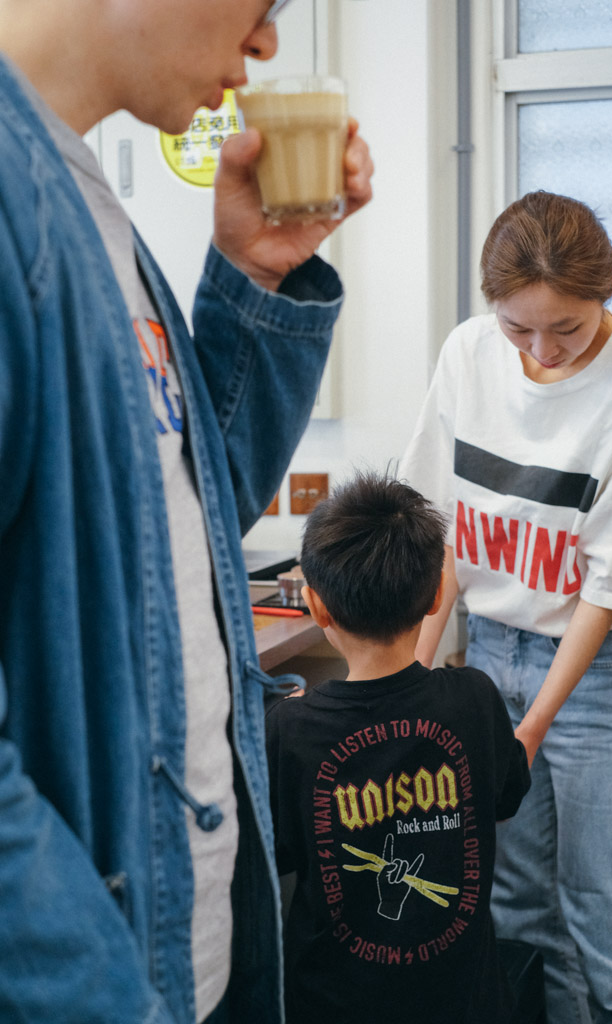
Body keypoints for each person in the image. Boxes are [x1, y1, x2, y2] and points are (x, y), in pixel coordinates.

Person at [0, 1, 373, 1022]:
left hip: (184, 947)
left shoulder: (83, 198)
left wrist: (257, 273)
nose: (266, 42)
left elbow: (184, 521)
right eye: (265, 4)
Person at [400, 190, 612, 1024]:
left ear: (610, 285)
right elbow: (442, 533)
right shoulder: (467, 354)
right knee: (516, 913)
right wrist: (412, 677)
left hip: (598, 674)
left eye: (566, 327)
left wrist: (530, 729)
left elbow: (606, 590)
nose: (542, 350)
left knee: (608, 923)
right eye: (517, 328)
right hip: (489, 655)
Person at [265, 472, 530, 1024]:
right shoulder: (475, 699)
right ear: (435, 596)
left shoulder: (291, 729)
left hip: (332, 1007)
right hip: (467, 1006)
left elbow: (278, 855)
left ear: (316, 606)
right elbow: (505, 798)